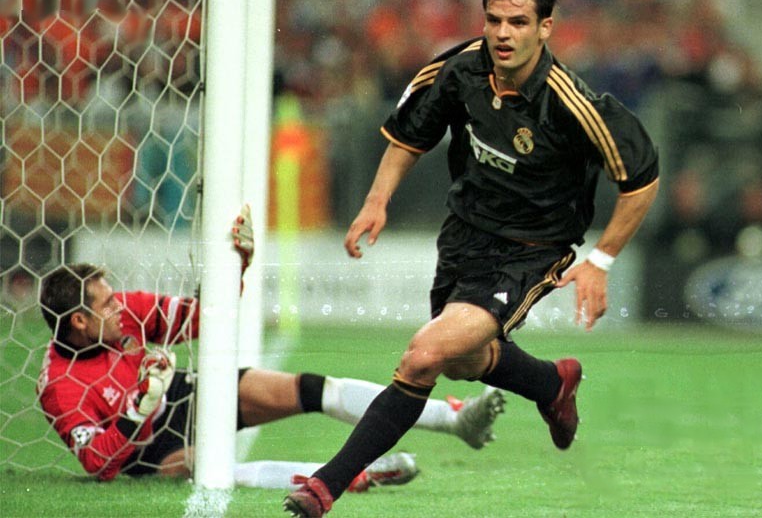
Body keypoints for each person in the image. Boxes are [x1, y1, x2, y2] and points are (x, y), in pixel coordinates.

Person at [284, 0, 659, 516]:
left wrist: (601, 260)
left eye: (518, 22)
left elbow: (642, 179)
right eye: (494, 20)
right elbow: (410, 134)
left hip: (531, 250)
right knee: (463, 361)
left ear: (545, 27)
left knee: (425, 356)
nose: (503, 33)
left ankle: (325, 486)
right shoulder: (460, 69)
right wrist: (376, 200)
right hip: (464, 234)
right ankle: (551, 384)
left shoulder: (571, 104)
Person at [36, 209, 505, 490]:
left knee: (311, 388)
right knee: (214, 470)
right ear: (79, 322)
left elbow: (204, 317)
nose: (119, 306)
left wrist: (236, 268)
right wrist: (136, 410)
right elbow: (98, 462)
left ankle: (454, 419)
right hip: (144, 449)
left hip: (179, 394)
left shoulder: (127, 313)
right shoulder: (59, 385)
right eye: (106, 304)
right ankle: (356, 474)